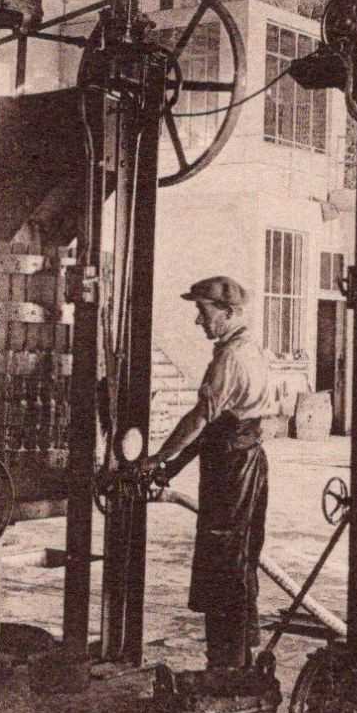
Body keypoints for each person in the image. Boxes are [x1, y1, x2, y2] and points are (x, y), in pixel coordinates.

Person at [137, 276, 272, 669]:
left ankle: (226, 667)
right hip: (243, 463)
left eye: (203, 312)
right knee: (237, 561)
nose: (199, 322)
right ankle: (234, 661)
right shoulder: (250, 348)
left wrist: (158, 458)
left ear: (228, 314)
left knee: (224, 564)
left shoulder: (230, 358)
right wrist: (169, 469)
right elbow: (215, 426)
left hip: (232, 471)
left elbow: (200, 420)